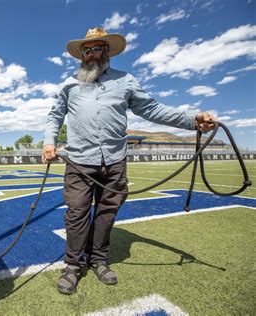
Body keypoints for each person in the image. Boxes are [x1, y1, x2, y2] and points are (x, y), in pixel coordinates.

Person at [42, 27, 216, 295]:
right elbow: (55, 115)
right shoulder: (69, 85)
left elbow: (153, 109)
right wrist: (49, 142)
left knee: (106, 212)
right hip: (78, 161)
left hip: (114, 160)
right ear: (81, 55)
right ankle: (73, 265)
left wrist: (192, 120)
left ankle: (99, 260)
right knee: (76, 212)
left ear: (107, 52)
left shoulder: (126, 81)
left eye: (97, 48)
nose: (91, 54)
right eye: (86, 50)